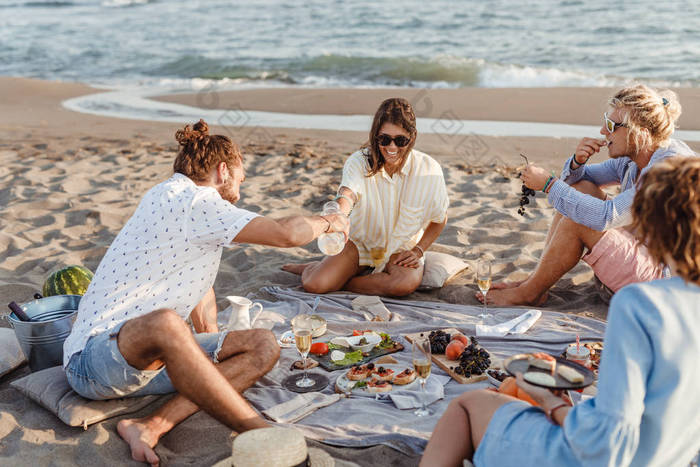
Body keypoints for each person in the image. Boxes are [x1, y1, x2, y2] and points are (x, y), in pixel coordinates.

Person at [62, 119, 349, 467]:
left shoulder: (174, 200)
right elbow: (285, 234)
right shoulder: (192, 200)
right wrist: (331, 222)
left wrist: (214, 350)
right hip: (94, 362)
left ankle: (151, 425)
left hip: (147, 364)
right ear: (223, 170)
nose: (242, 187)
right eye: (241, 177)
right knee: (168, 324)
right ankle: (259, 432)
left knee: (263, 344)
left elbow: (196, 285)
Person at [421, 156, 700, 467]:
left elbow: (607, 446)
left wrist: (548, 400)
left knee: (469, 405)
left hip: (592, 457)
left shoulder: (641, 304)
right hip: (670, 457)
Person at [481, 84, 696, 306]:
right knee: (581, 189)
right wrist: (577, 162)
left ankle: (529, 293)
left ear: (639, 133)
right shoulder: (636, 156)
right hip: (647, 252)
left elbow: (606, 217)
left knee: (579, 221)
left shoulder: (667, 169)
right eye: (606, 120)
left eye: (612, 125)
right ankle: (535, 284)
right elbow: (579, 182)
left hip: (667, 284)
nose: (603, 130)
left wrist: (548, 184)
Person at [282, 98, 449, 296]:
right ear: (375, 136)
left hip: (401, 248)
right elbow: (347, 194)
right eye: (384, 139)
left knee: (403, 285)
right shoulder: (358, 161)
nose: (392, 147)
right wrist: (338, 213)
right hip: (360, 243)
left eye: (400, 140)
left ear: (412, 137)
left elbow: (440, 219)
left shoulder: (429, 168)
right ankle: (314, 270)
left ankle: (340, 279)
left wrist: (418, 250)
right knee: (315, 285)